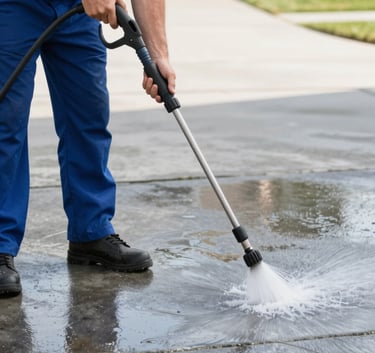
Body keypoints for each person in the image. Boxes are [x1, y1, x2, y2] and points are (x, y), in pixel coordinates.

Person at [0, 0, 176, 297]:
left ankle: (90, 232)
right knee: (6, 122)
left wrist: (157, 55)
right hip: (13, 7)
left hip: (77, 13)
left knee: (88, 116)